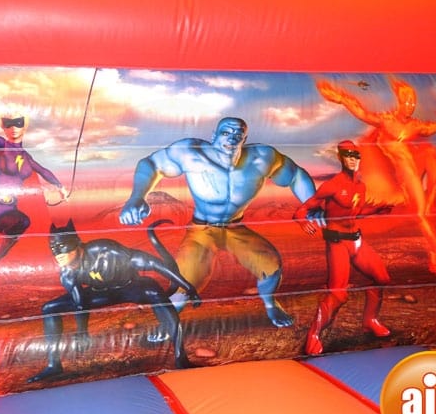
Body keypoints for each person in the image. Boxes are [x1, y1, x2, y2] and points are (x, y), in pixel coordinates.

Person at [119, 117, 319, 328]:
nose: (231, 138)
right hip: (202, 230)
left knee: (272, 267)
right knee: (184, 284)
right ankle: (166, 325)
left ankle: (270, 303)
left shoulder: (261, 158)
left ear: (244, 139)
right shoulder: (192, 153)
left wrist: (312, 204)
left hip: (235, 227)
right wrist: (137, 197)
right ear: (214, 136)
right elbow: (151, 164)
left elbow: (295, 175)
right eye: (225, 133)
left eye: (237, 134)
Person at [317, 78, 436, 277]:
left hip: (415, 167)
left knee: (430, 156)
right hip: (404, 173)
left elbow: (429, 129)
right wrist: (341, 98)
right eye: (407, 101)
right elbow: (362, 112)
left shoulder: (414, 124)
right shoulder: (387, 121)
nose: (410, 105)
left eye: (413, 102)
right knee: (421, 215)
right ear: (400, 102)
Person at [27, 219, 200, 383]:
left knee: (156, 294)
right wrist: (82, 331)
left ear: (77, 242)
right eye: (53, 248)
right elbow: (80, 303)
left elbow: (152, 263)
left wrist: (189, 287)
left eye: (62, 246)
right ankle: (54, 365)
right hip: (101, 293)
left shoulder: (106, 250)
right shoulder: (67, 273)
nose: (58, 254)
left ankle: (180, 357)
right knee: (49, 308)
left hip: (132, 286)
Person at [293, 140, 392, 355]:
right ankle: (313, 335)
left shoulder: (360, 186)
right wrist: (302, 221)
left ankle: (370, 320)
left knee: (381, 278)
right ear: (341, 158)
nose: (353, 160)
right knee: (338, 295)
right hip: (338, 243)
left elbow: (355, 212)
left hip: (356, 240)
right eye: (348, 155)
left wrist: (377, 210)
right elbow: (302, 210)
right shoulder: (333, 185)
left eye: (356, 156)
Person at [0, 109, 66, 299]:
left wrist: (59, 186)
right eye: (8, 123)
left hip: (7, 213)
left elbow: (43, 171)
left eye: (18, 123)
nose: (13, 128)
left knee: (23, 221)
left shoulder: (26, 157)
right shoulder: (0, 145)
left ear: (25, 126)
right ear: (3, 127)